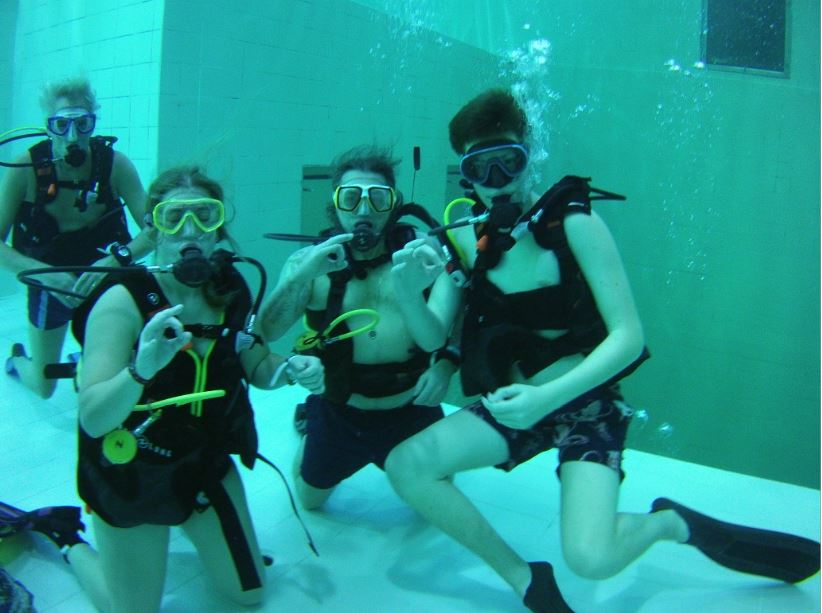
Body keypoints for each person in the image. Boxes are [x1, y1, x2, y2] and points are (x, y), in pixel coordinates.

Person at [385, 89, 820, 612]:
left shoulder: (575, 224)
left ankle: (669, 523)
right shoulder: (463, 240)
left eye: (509, 161)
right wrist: (406, 292)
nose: (496, 179)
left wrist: (546, 399)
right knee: (407, 465)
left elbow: (628, 337)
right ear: (465, 173)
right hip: (515, 407)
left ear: (530, 156)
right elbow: (434, 337)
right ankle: (523, 578)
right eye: (481, 166)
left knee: (593, 559)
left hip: (585, 404)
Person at [68, 166, 324, 611]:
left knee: (250, 594)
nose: (190, 231)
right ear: (153, 229)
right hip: (132, 469)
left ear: (218, 227)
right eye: (174, 218)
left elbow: (256, 365)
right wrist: (141, 369)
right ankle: (68, 543)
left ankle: (186, 531)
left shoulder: (231, 288)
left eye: (204, 216)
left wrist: (291, 369)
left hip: (203, 461)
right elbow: (93, 418)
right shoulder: (121, 300)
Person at [259, 145, 457, 510]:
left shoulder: (424, 258)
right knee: (309, 500)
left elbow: (434, 339)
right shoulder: (308, 263)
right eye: (351, 198)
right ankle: (311, 425)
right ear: (335, 204)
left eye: (378, 199)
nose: (364, 211)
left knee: (439, 489)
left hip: (410, 405)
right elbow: (267, 332)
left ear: (393, 204)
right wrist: (299, 277)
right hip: (340, 407)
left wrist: (412, 293)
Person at [0, 75, 152, 398]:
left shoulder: (115, 166)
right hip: (49, 282)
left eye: (82, 124)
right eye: (61, 125)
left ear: (92, 124)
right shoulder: (25, 169)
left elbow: (156, 229)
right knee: (44, 386)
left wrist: (117, 259)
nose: (73, 136)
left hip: (104, 277)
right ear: (48, 127)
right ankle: (18, 361)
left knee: (123, 365)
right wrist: (44, 276)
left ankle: (86, 357)